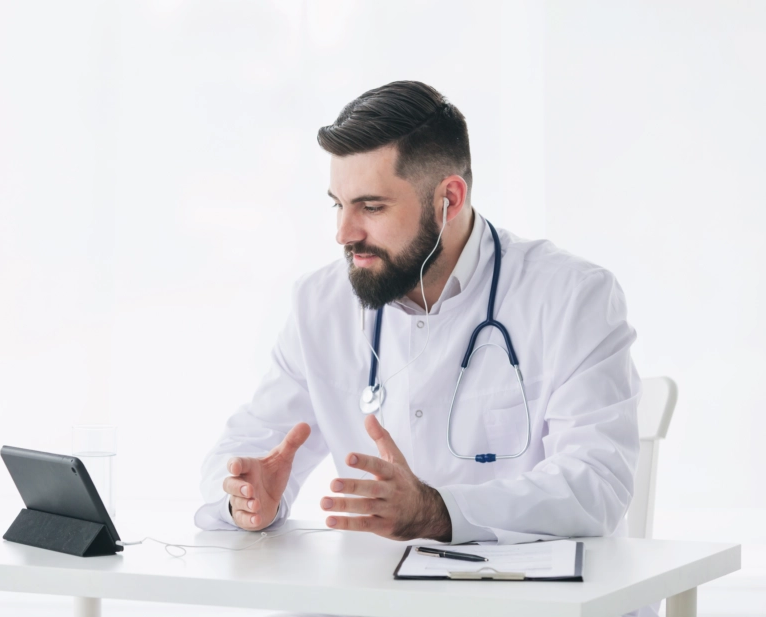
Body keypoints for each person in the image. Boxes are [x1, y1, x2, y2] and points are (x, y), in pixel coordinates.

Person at [195, 81, 648, 615]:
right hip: (382, 602)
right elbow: (248, 446)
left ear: (448, 199)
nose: (344, 232)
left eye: (370, 206)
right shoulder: (320, 304)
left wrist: (438, 511)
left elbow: (598, 482)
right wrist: (246, 498)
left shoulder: (571, 297)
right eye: (338, 204)